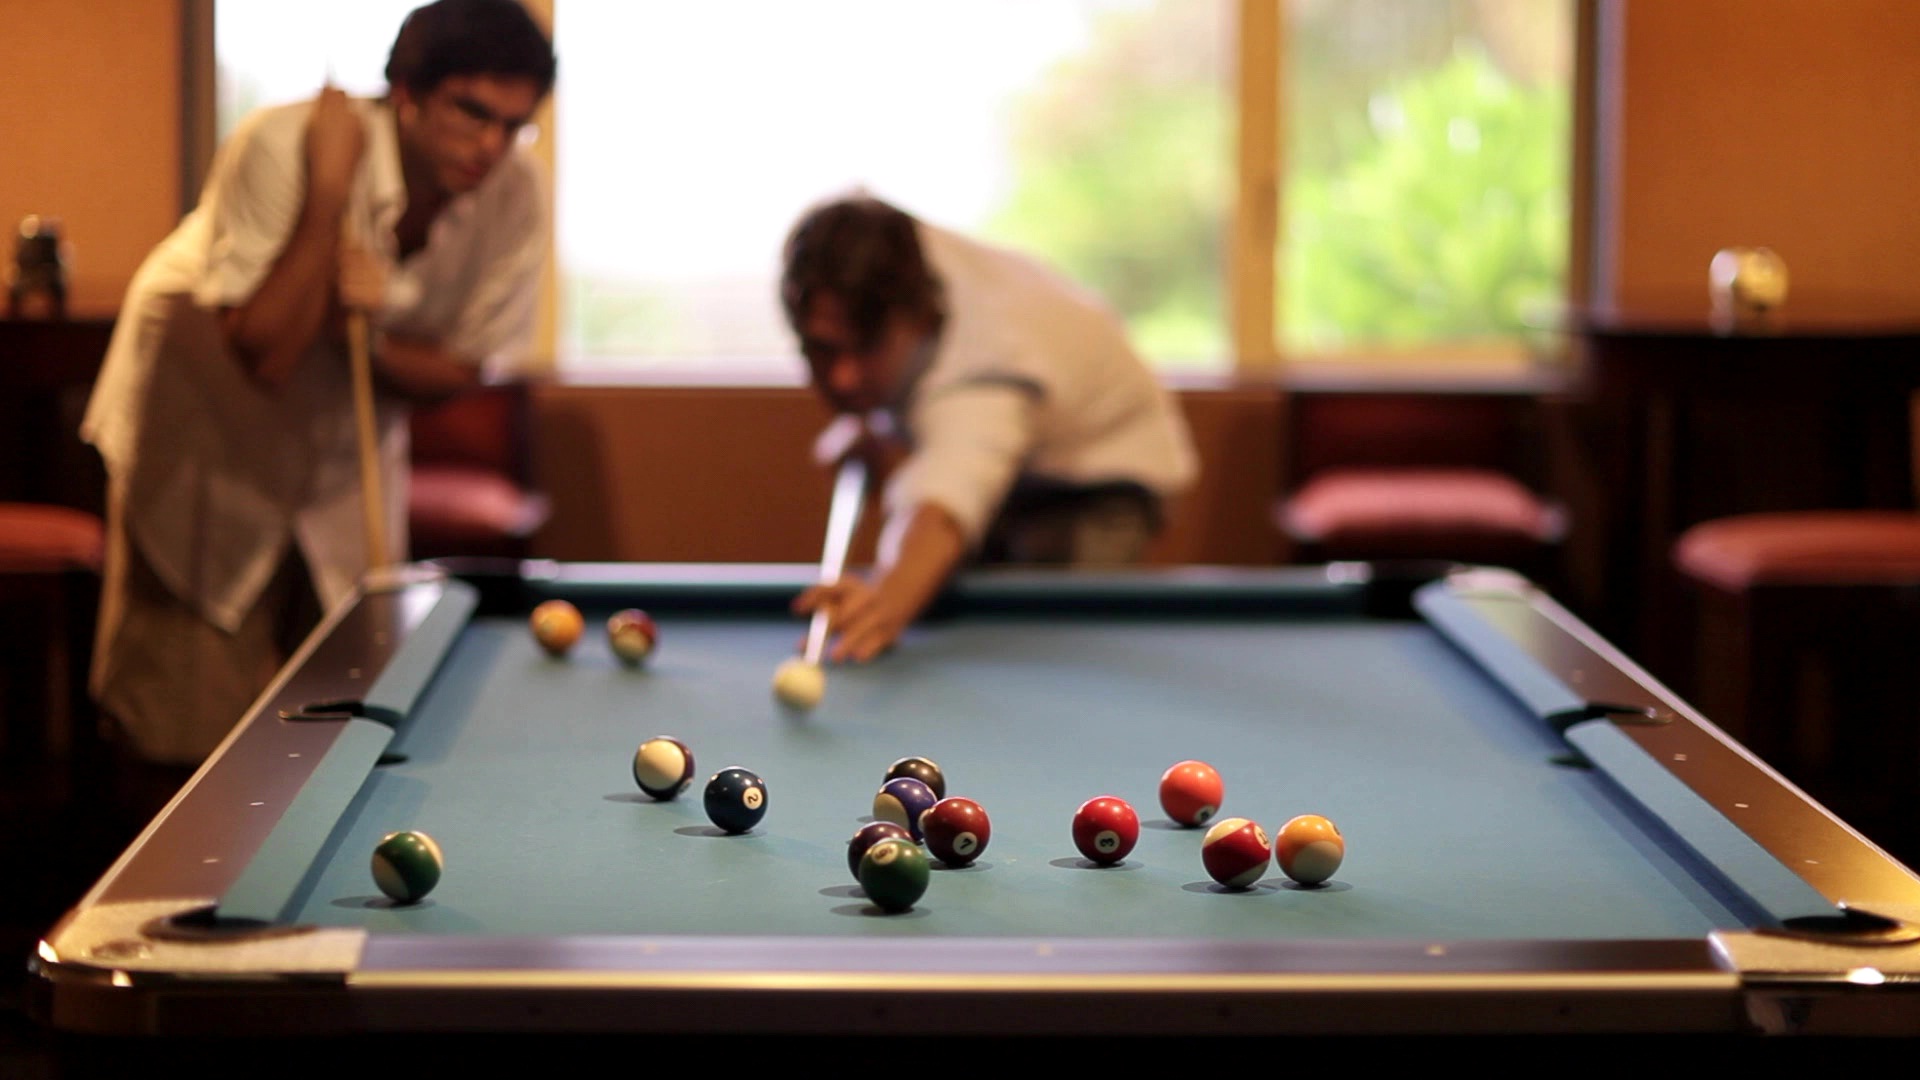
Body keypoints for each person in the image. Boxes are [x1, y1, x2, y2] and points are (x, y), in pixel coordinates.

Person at [82, 0, 556, 767]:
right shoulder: (285, 142)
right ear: (406, 91)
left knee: (340, 727)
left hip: (339, 463)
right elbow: (265, 353)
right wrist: (329, 197)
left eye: (515, 123)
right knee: (186, 741)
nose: (492, 145)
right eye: (472, 113)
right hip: (203, 452)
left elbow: (455, 376)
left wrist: (356, 333)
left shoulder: (516, 194)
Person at [783, 195, 1198, 664]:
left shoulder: (987, 367)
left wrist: (887, 594)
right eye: (822, 349)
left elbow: (942, 504)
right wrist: (882, 428)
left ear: (917, 321)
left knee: (1051, 655)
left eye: (866, 349)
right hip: (1023, 455)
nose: (842, 377)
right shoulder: (875, 251)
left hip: (1101, 478)